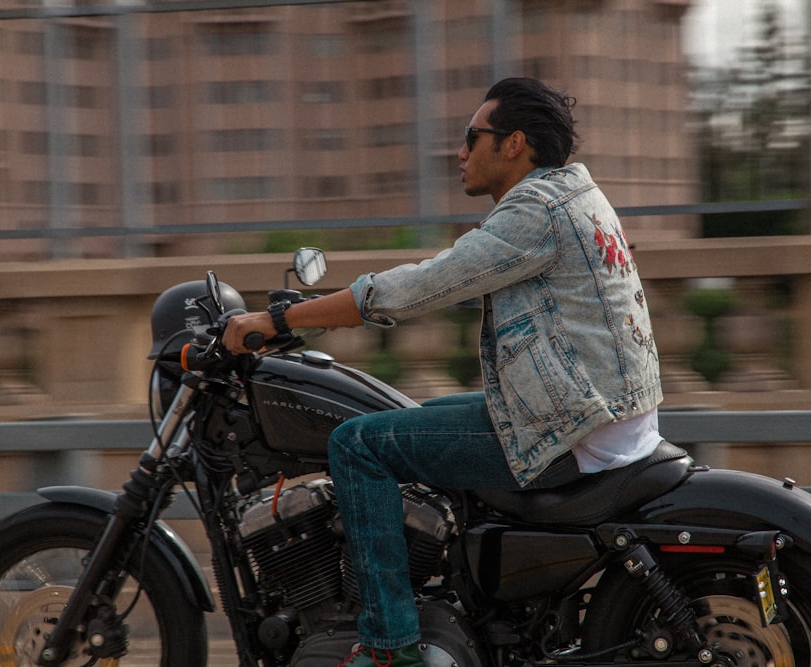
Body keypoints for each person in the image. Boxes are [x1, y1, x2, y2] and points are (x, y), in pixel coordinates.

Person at [222, 77, 663, 667]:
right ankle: (457, 604)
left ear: (514, 144)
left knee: (356, 446)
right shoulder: (574, 195)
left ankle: (390, 645)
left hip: (574, 431)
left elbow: (422, 286)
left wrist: (281, 318)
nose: (459, 152)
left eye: (470, 137)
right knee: (413, 419)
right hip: (599, 417)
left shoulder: (537, 211)